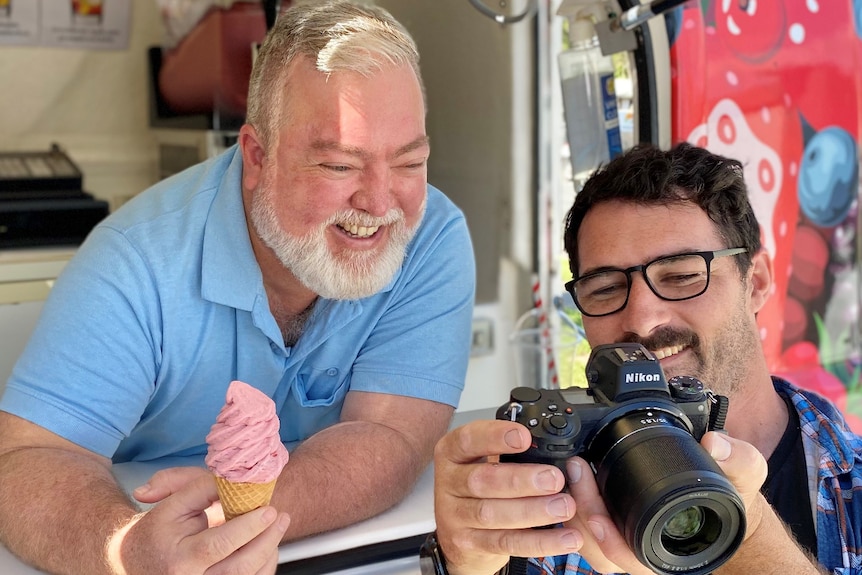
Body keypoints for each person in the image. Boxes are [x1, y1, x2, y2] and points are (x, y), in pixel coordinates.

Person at [0, 2, 475, 574]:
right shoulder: (137, 261)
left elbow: (389, 436)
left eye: (408, 162)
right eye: (338, 166)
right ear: (256, 156)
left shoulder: (430, 237)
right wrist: (131, 550)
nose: (379, 204)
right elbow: (28, 460)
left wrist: (238, 515)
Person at [430, 143, 862, 574]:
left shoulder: (854, 487)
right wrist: (464, 560)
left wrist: (748, 535)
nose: (643, 319)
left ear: (758, 282)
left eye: (681, 276)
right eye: (605, 290)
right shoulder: (554, 488)